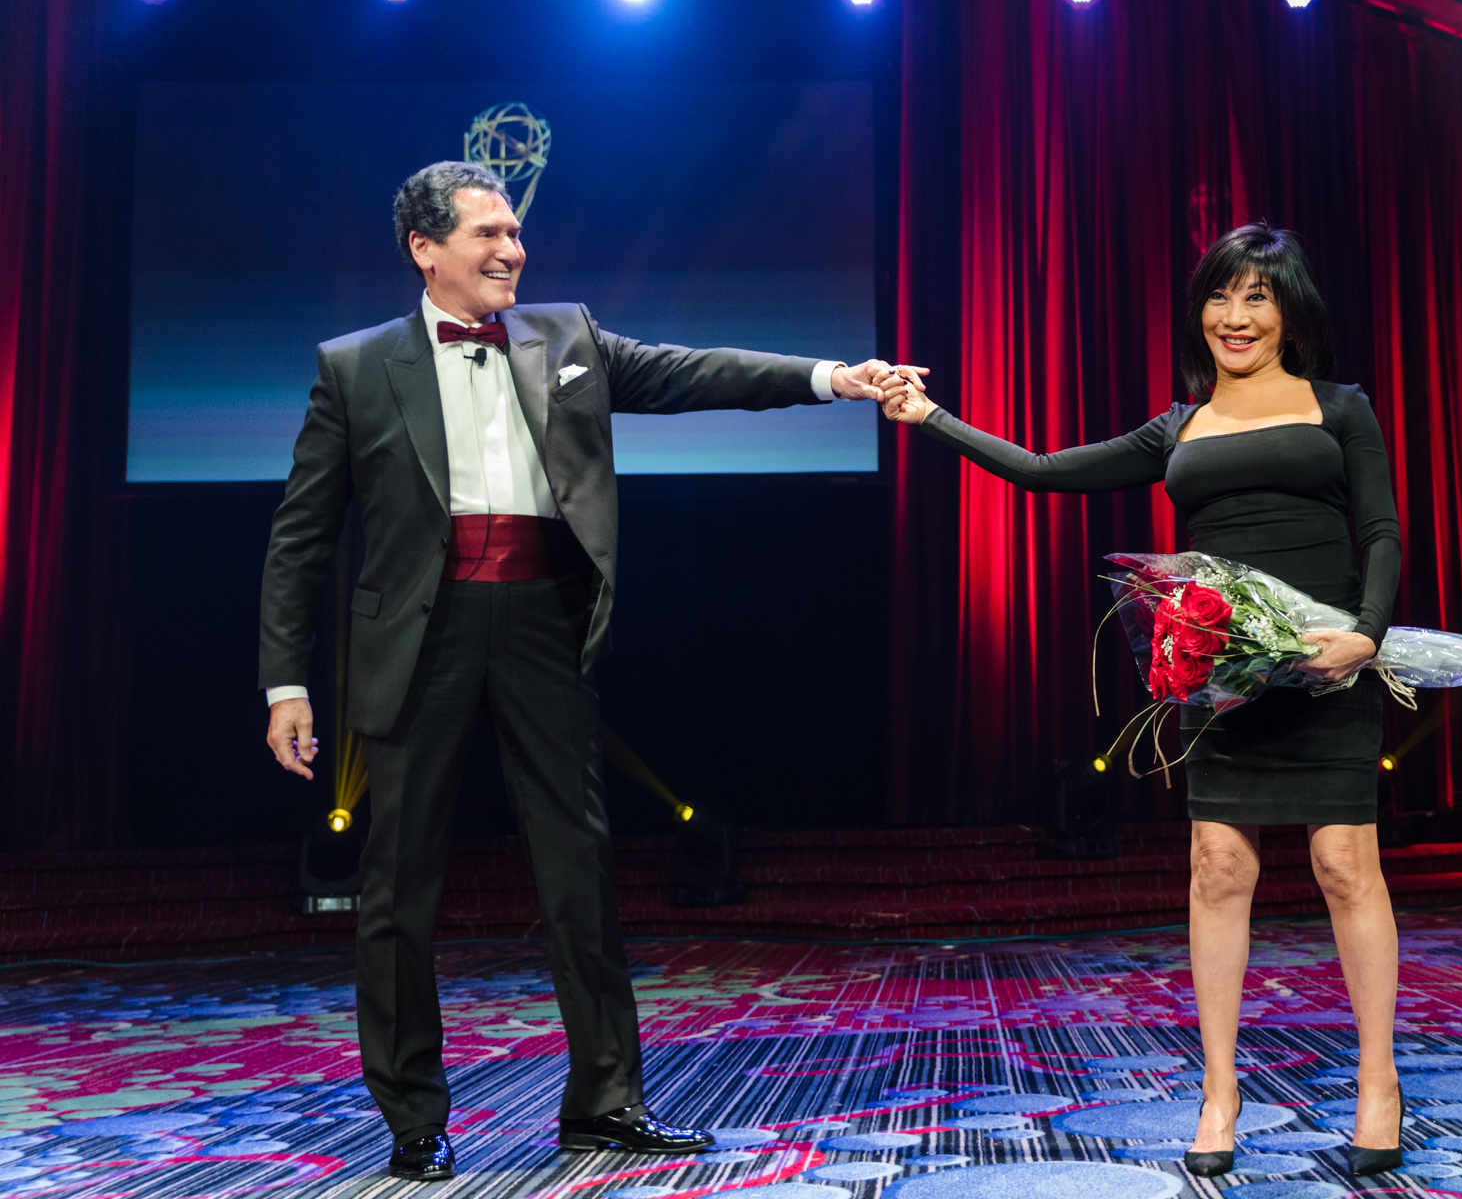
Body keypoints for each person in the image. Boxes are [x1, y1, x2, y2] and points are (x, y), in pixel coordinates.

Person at [259, 161, 917, 1183]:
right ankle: (414, 1117)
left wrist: (835, 376)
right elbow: (301, 536)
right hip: (420, 634)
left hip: (542, 620)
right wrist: (285, 682)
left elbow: (694, 373)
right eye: (486, 234)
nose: (511, 250)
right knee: (399, 891)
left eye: (515, 232)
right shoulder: (354, 366)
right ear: (425, 249)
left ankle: (607, 1102)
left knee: (580, 871)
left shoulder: (565, 336)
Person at [879, 224, 1404, 1179]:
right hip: (1224, 674)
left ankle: (1379, 1084)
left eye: (1257, 297)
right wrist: (931, 419)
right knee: (1217, 867)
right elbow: (1042, 469)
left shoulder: (1340, 409)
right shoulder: (1179, 427)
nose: (1235, 317)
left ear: (1291, 314)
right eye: (1219, 297)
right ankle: (1220, 1093)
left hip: (1328, 667)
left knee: (1343, 865)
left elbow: (1380, 531)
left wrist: (1365, 635)